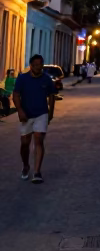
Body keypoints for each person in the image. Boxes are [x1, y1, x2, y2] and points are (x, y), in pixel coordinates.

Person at [13, 54, 57, 183]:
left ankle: (37, 172)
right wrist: (20, 111)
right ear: (31, 66)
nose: (39, 67)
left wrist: (50, 112)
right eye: (36, 65)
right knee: (25, 143)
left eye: (40, 65)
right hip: (26, 115)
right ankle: (26, 165)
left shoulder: (46, 79)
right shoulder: (22, 79)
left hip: (41, 113)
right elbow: (16, 95)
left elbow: (52, 95)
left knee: (38, 140)